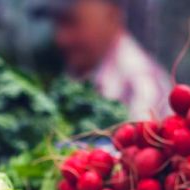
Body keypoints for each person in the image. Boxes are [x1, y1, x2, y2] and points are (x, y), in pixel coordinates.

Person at [34, 0, 171, 121]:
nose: (61, 39)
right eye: (56, 24)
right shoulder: (80, 72)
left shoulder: (140, 87)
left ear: (112, 15)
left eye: (71, 22)